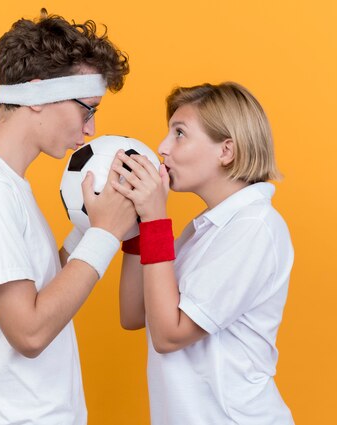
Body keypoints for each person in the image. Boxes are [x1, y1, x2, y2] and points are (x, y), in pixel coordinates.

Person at [0, 9, 136, 425]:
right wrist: (104, 235)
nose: (91, 129)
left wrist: (89, 230)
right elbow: (29, 332)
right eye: (87, 109)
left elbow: (43, 290)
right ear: (38, 94)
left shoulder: (5, 184)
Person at [113, 82, 295, 424]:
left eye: (180, 133)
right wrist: (139, 227)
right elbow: (135, 314)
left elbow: (169, 335)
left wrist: (154, 218)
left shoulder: (254, 227)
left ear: (226, 151)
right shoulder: (204, 230)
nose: (162, 147)